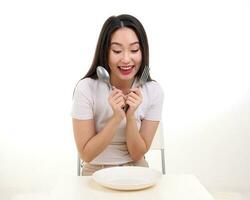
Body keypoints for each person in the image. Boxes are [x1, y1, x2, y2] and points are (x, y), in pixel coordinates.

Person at [71, 14, 164, 175]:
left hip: (136, 170)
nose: (126, 59)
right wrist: (116, 118)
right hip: (94, 171)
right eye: (117, 50)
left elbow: (137, 154)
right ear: (105, 52)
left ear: (143, 51)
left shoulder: (153, 91)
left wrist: (130, 116)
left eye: (134, 50)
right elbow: (86, 154)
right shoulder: (86, 88)